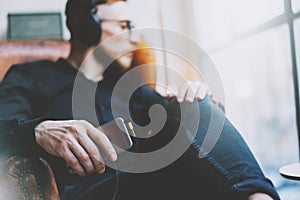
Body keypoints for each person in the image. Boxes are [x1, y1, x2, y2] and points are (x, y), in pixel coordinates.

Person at [0, 0, 280, 199]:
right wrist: (39, 130)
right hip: (92, 187)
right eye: (124, 25)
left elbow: (192, 127)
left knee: (193, 103)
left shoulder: (129, 87)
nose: (134, 37)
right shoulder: (30, 76)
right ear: (88, 26)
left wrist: (196, 98)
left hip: (157, 179)